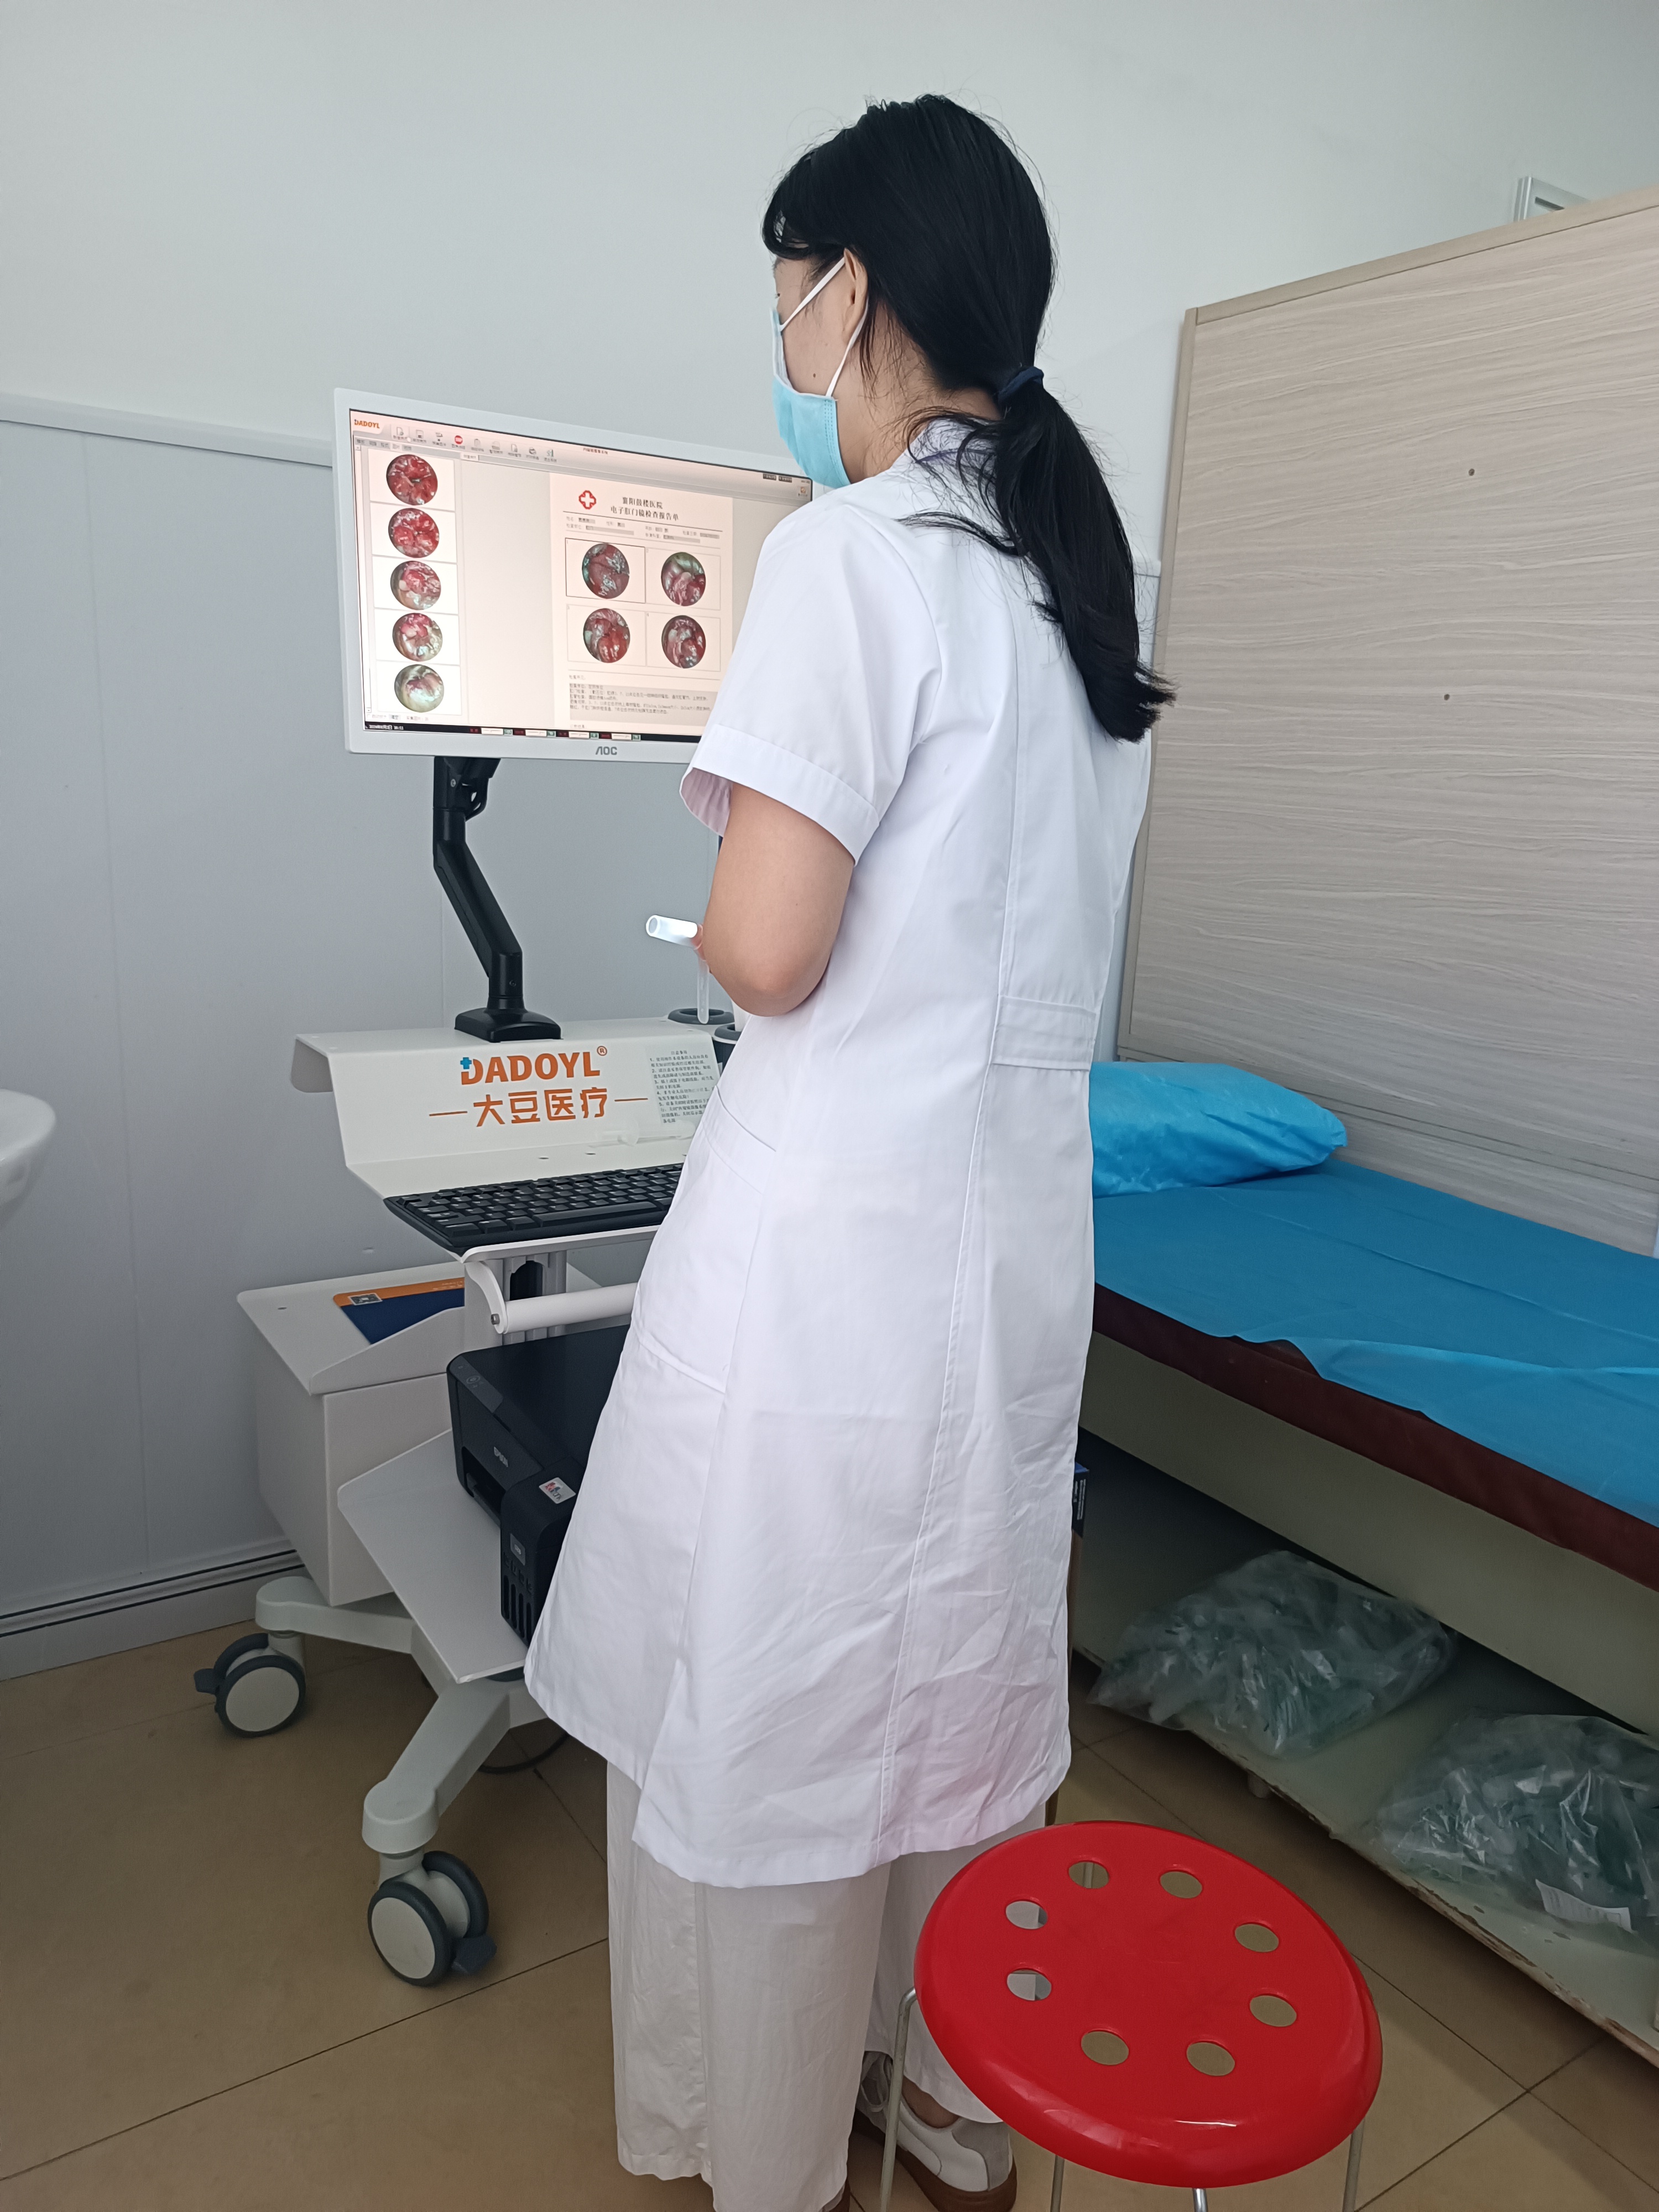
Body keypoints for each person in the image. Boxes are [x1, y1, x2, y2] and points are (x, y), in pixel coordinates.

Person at [526, 91, 1166, 2212]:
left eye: (789, 300)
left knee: (781, 1713)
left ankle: (770, 2148)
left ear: (853, 293)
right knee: (952, 1694)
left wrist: (709, 928)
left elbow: (776, 953)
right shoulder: (1072, 589)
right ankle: (958, 2098)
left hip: (827, 1276)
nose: (787, 348)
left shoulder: (850, 560)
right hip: (1003, 1265)